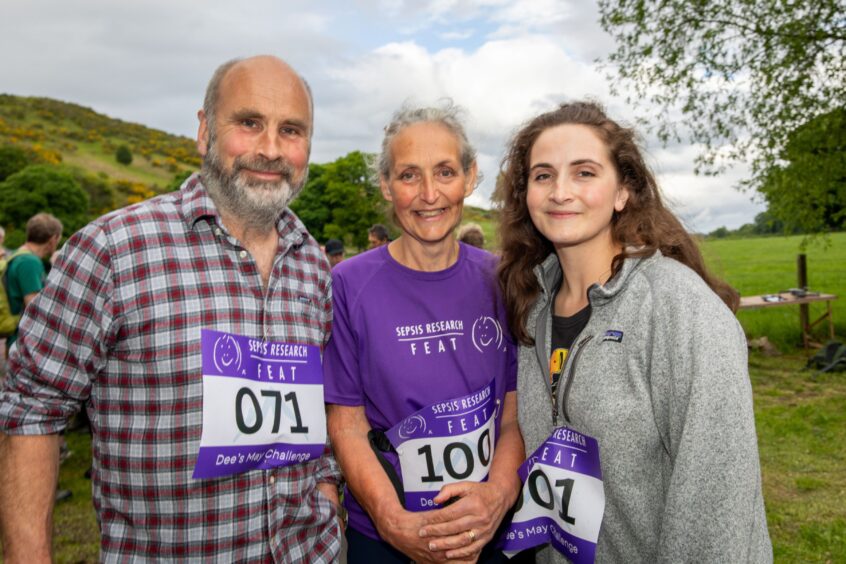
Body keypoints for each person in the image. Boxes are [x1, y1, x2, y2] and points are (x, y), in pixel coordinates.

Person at [0, 55, 343, 562]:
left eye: (291, 130)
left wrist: (327, 495)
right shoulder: (113, 249)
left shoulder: (312, 263)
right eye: (249, 123)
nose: (271, 149)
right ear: (204, 131)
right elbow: (31, 408)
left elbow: (317, 407)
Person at [496, 101, 772, 563]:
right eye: (543, 175)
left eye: (584, 172)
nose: (561, 191)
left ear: (623, 191)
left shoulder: (679, 308)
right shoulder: (534, 309)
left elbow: (717, 496)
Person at [325, 102, 525, 564]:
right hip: (385, 539)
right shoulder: (349, 285)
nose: (429, 194)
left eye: (445, 172)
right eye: (409, 175)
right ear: (386, 185)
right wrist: (393, 522)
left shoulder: (505, 279)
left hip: (489, 535)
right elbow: (347, 426)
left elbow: (516, 415)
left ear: (470, 176)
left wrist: (497, 496)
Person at [4, 213, 63, 350]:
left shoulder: (18, 254)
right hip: (24, 343)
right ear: (53, 239)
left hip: (17, 339)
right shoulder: (29, 262)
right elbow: (35, 307)